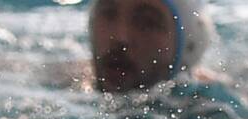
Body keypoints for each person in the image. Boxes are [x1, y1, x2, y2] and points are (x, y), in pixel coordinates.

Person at [87, 0, 218, 93]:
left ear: (188, 45)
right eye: (109, 13)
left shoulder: (213, 108)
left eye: (147, 21)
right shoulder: (70, 84)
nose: (120, 38)